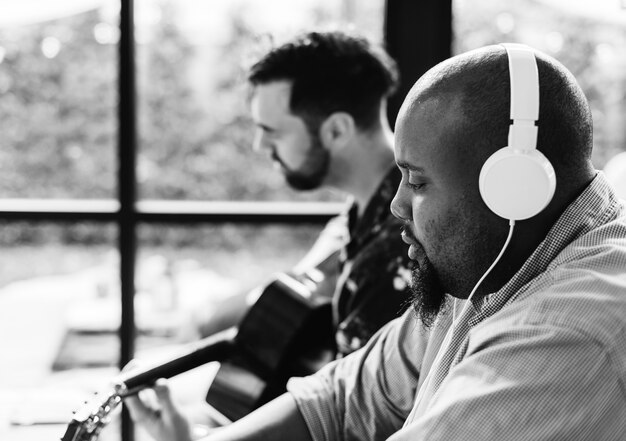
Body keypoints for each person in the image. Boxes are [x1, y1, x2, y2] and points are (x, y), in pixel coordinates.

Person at [137, 43, 626, 440]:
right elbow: (344, 396)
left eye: (416, 182)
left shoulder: (566, 333)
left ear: (514, 188)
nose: (396, 206)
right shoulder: (493, 260)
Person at [125, 30, 414, 438]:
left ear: (336, 130)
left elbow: (350, 420)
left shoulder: (395, 251)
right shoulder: (355, 219)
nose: (260, 144)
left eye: (273, 131)